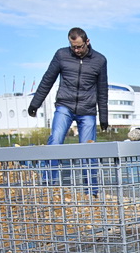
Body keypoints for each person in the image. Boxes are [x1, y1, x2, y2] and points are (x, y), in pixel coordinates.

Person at [28, 27, 108, 193]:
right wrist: (35, 104)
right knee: (55, 141)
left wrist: (104, 118)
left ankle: (91, 191)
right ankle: (49, 186)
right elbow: (47, 80)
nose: (77, 50)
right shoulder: (61, 55)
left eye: (79, 46)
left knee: (88, 149)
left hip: (87, 110)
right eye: (73, 47)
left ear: (87, 42)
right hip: (65, 105)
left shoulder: (100, 60)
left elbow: (102, 89)